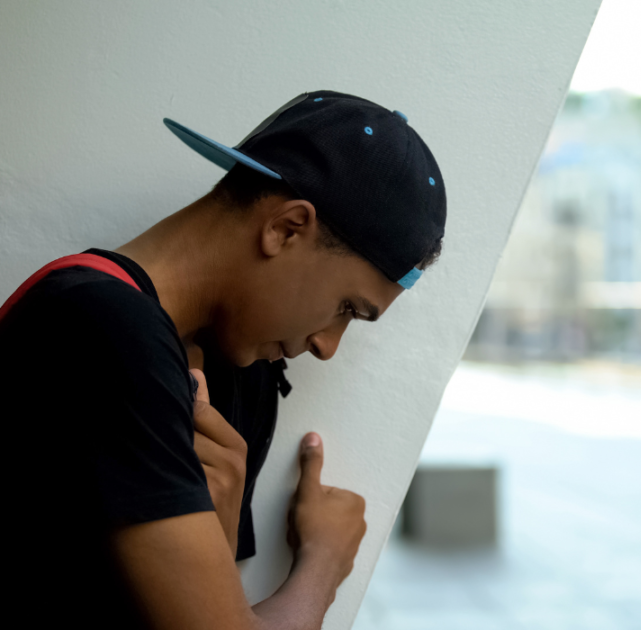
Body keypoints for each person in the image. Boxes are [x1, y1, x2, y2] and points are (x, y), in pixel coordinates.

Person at [0, 91, 446, 629]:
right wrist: (324, 564)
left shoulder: (236, 378)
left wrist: (225, 530)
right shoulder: (104, 327)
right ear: (285, 228)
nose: (328, 346)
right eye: (347, 308)